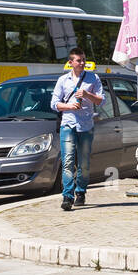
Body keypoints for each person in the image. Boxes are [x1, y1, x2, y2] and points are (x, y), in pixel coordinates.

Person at [51, 47, 105, 211]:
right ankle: (68, 195)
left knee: (84, 162)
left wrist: (87, 95)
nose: (82, 63)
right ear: (71, 63)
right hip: (68, 124)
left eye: (83, 60)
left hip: (86, 126)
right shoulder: (63, 80)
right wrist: (68, 106)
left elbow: (101, 101)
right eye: (79, 60)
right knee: (67, 161)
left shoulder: (93, 78)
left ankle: (80, 191)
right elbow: (54, 103)